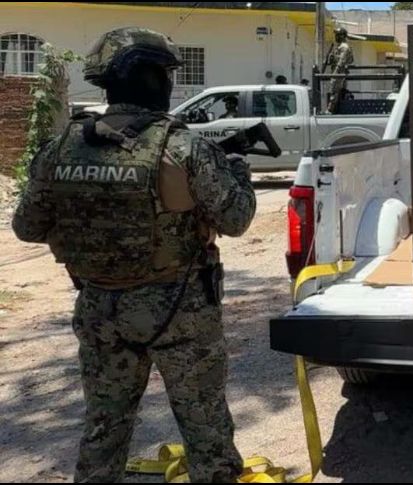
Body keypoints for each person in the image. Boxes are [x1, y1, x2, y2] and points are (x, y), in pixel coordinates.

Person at [12, 27, 255, 483]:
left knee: (104, 428)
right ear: (147, 77)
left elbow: (26, 228)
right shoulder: (182, 146)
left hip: (99, 307)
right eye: (164, 74)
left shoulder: (60, 146)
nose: (168, 84)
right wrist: (238, 175)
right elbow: (235, 218)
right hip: (178, 310)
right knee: (206, 432)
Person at [324, 27, 354, 113]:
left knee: (334, 91)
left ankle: (330, 109)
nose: (336, 37)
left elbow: (342, 62)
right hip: (336, 72)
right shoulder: (338, 47)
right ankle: (334, 109)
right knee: (334, 90)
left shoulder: (344, 47)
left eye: (338, 35)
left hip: (339, 73)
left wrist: (335, 74)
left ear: (343, 36)